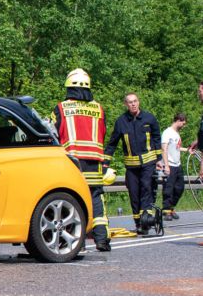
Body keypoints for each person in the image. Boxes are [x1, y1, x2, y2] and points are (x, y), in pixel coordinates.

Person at [50, 68, 110, 251]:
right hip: (94, 162)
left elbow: (52, 132)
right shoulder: (99, 108)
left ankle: (78, 242)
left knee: (73, 200)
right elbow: (104, 131)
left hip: (72, 161)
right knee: (95, 198)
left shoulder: (61, 108)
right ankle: (101, 239)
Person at [104, 93, 162, 235]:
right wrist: (105, 163)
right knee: (134, 194)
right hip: (131, 167)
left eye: (135, 101)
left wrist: (159, 159)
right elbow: (112, 144)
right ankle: (138, 223)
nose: (133, 104)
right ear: (126, 104)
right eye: (130, 102)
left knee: (146, 189)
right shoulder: (121, 122)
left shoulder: (149, 118)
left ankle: (146, 221)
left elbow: (156, 138)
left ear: (139, 102)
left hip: (148, 163)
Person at [160, 113, 187, 221]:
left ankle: (171, 208)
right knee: (168, 189)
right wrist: (166, 165)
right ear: (179, 120)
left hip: (177, 164)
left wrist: (188, 150)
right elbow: (164, 149)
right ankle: (166, 211)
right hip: (169, 164)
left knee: (180, 188)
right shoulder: (168, 132)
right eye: (183, 123)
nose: (184, 126)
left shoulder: (176, 133)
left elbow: (176, 148)